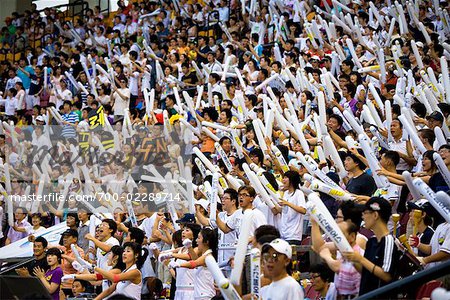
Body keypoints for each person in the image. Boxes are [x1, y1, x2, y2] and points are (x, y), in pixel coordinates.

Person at [343, 197, 400, 295]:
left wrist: (360, 259)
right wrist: (353, 259)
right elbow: (366, 271)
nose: (363, 217)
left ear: (375, 215)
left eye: (365, 213)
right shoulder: (371, 241)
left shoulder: (389, 241)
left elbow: (386, 275)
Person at [168, 227, 218, 300]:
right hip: (198, 295)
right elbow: (194, 258)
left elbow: (194, 263)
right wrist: (189, 247)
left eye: (199, 238)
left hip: (205, 295)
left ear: (206, 241)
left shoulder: (208, 256)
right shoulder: (203, 255)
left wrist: (179, 265)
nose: (197, 241)